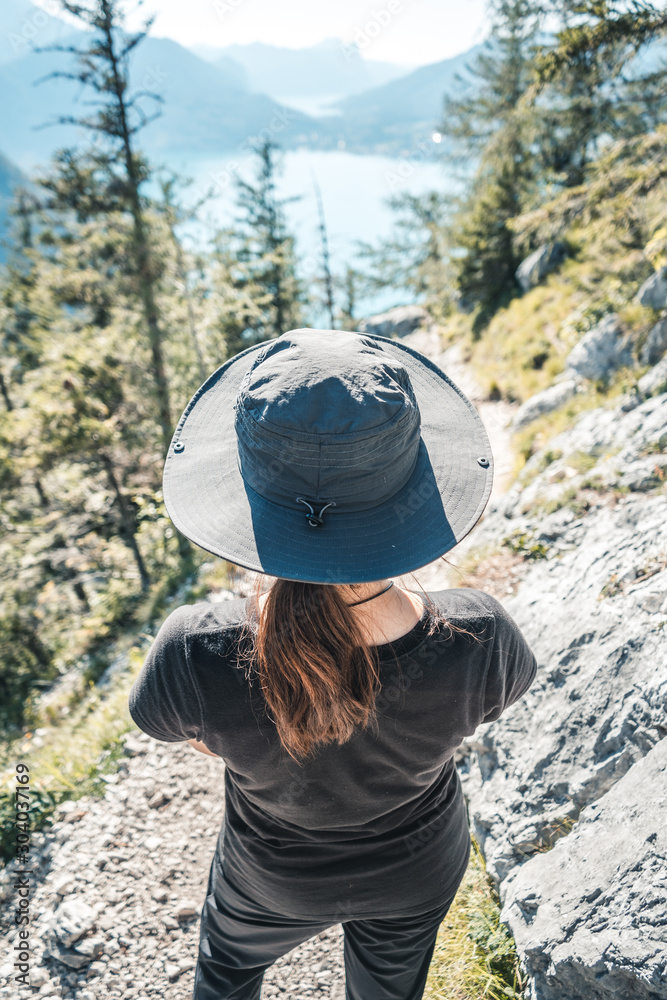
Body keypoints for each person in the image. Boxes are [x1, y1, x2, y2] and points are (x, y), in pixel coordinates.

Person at [128, 328, 537, 1000]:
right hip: (416, 873)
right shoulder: (481, 636)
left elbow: (189, 735)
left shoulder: (191, 651)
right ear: (411, 487)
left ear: (248, 491)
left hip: (267, 878)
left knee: (225, 975)